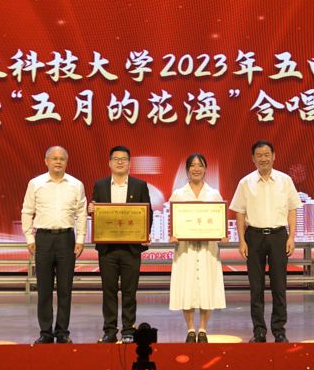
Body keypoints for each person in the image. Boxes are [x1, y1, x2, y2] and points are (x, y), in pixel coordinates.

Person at [229, 140, 301, 343]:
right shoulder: (245, 182)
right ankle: (259, 331)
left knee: (279, 286)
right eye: (259, 155)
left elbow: (292, 210)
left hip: (279, 236)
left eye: (266, 154)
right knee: (256, 287)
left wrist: (291, 237)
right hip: (254, 236)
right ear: (253, 158)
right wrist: (241, 240)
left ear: (273, 156)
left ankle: (279, 330)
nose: (263, 159)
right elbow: (239, 213)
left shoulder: (285, 180)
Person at [21, 146, 87, 344]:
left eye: (62, 158)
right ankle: (46, 332)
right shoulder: (36, 183)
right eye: (54, 158)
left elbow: (81, 213)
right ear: (46, 161)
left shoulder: (76, 184)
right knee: (44, 289)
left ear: (66, 161)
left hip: (66, 238)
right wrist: (29, 238)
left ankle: (62, 331)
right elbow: (27, 211)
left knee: (65, 289)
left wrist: (80, 239)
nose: (58, 161)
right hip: (43, 239)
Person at [88, 145, 153, 344]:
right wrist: (92, 210)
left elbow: (147, 212)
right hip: (107, 249)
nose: (119, 162)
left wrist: (144, 233)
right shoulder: (100, 185)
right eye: (116, 159)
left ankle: (128, 329)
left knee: (129, 291)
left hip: (131, 249)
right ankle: (109, 331)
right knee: (108, 291)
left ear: (129, 163)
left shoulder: (139, 185)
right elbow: (96, 212)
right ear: (109, 163)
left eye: (123, 159)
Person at [169, 153, 227, 343]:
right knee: (186, 286)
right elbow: (172, 221)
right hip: (185, 249)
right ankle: (190, 330)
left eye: (200, 165)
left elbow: (220, 220)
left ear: (205, 169)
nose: (196, 169)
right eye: (192, 165)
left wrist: (222, 233)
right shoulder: (178, 194)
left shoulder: (213, 194)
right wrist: (173, 234)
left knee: (207, 287)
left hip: (207, 249)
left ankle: (202, 329)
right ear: (187, 170)